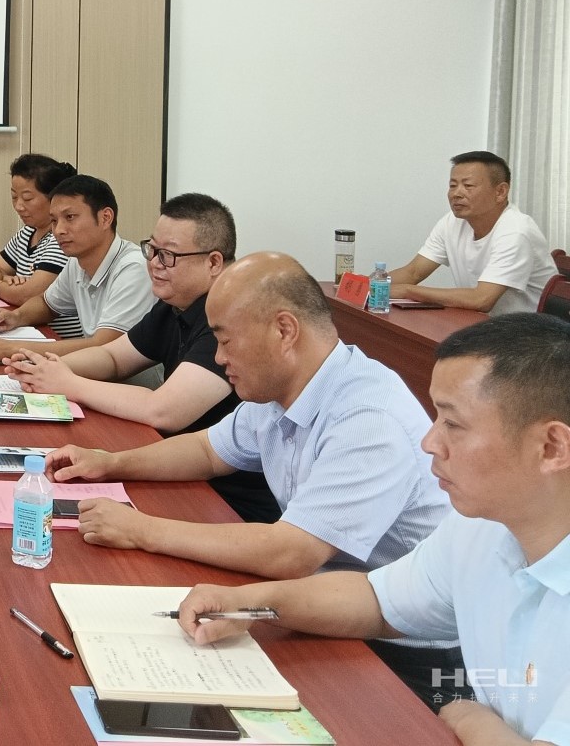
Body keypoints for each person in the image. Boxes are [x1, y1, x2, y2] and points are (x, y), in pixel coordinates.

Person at [44, 252, 457, 704]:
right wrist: (111, 463)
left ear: (284, 331)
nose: (219, 357)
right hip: (319, 601)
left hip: (405, 649)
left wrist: (142, 529)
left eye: (226, 340)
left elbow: (291, 553)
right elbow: (206, 451)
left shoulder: (368, 419)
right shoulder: (282, 388)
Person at [176, 314, 570, 741]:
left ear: (551, 447)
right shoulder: (482, 527)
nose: (429, 442)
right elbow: (377, 601)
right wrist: (250, 604)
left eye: (453, 424)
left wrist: (471, 719)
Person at [6, 193, 279, 523]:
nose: (154, 263)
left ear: (213, 263)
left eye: (168, 255)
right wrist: (45, 369)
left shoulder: (230, 319)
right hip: (179, 471)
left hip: (226, 501)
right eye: (152, 249)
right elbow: (113, 357)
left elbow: (164, 410)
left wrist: (68, 383)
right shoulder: (176, 304)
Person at [0, 174, 154, 363]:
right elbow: (47, 304)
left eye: (70, 217)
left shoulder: (134, 268)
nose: (58, 230)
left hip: (131, 380)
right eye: (54, 220)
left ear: (105, 218)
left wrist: (9, 348)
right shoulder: (76, 262)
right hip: (94, 372)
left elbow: (104, 347)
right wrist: (15, 317)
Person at [389, 150, 555, 316]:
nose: (456, 194)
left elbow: (481, 300)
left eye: (468, 186)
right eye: (453, 186)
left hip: (531, 329)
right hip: (483, 323)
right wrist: (373, 286)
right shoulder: (452, 222)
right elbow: (413, 272)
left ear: (500, 192)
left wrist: (407, 291)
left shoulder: (516, 231)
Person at [0, 153, 84, 338]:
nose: (18, 206)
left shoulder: (61, 239)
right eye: (14, 197)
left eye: (27, 198)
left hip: (59, 338)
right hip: (28, 329)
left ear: (53, 198)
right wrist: (4, 280)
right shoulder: (27, 233)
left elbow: (28, 295)